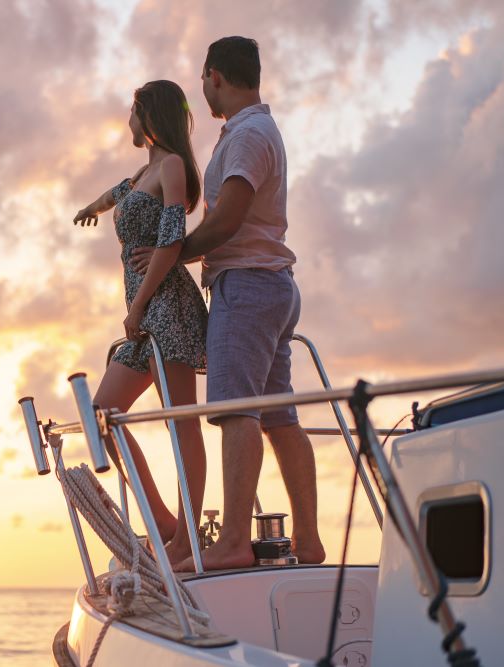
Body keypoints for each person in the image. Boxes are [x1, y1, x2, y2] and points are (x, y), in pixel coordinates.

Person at [130, 37, 326, 570]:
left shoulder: (248, 135)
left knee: (234, 411)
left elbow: (228, 218)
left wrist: (172, 256)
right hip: (272, 285)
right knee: (280, 418)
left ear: (215, 76)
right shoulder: (254, 132)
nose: (201, 89)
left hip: (247, 286)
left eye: (202, 78)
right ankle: (307, 543)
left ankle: (234, 542)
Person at [73, 80, 209, 566]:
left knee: (180, 423)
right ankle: (166, 525)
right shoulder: (144, 170)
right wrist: (92, 208)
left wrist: (137, 307)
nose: (127, 121)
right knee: (105, 414)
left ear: (147, 115)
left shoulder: (171, 166)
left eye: (132, 112)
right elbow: (120, 193)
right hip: (144, 317)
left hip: (166, 309)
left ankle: (188, 538)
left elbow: (172, 238)